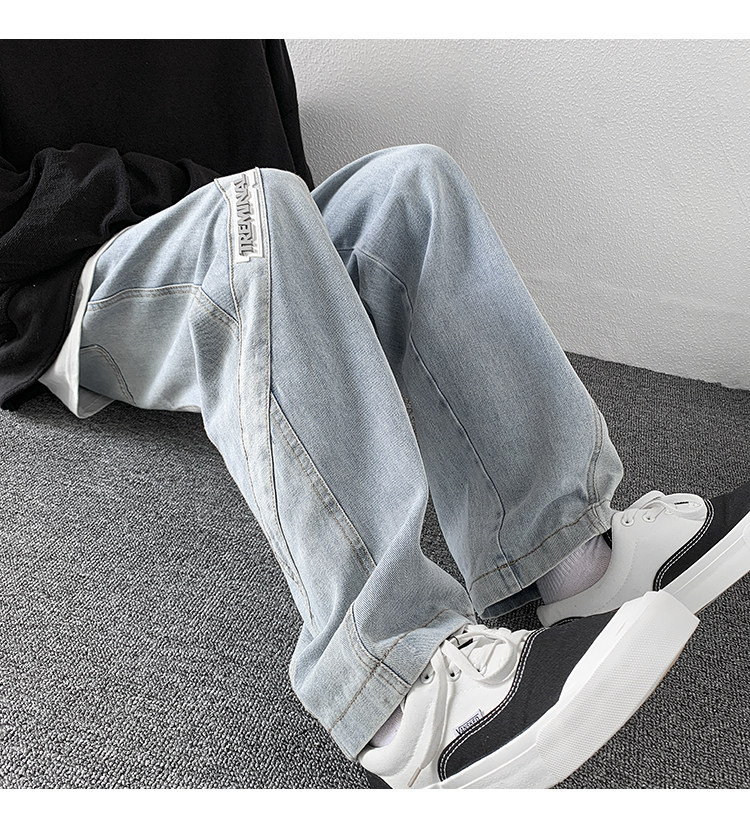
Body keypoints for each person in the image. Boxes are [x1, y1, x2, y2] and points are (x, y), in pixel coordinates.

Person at [1, 40, 748, 790]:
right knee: (252, 215)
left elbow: (263, 144)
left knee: (412, 183)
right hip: (58, 277)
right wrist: (209, 200)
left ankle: (575, 560)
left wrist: (294, 254)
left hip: (222, 211)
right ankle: (401, 700)